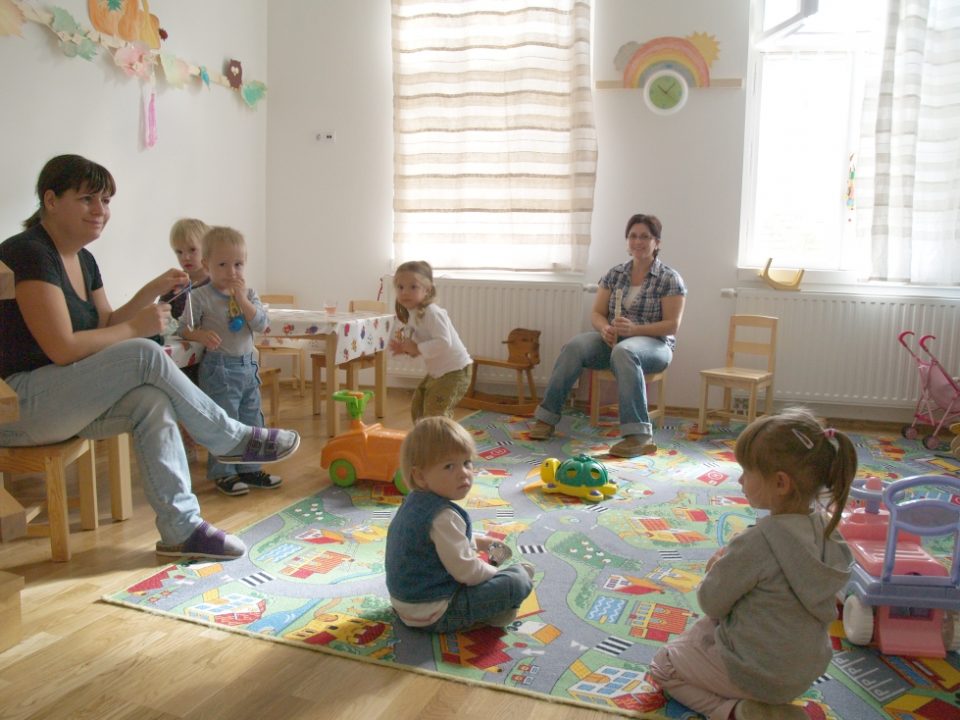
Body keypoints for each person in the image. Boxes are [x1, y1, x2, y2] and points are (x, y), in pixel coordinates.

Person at [0, 154, 300, 560]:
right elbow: (63, 347)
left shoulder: (84, 259)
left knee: (151, 401)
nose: (100, 210)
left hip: (62, 396)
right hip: (18, 404)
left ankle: (181, 529)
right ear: (50, 200)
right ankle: (230, 438)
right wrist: (134, 330)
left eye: (105, 201)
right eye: (87, 199)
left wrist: (151, 291)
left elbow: (105, 322)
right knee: (143, 351)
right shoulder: (28, 252)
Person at [647, 408, 856, 720]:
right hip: (804, 673)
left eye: (747, 471)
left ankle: (735, 711)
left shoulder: (756, 543)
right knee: (710, 631)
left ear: (781, 483)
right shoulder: (829, 533)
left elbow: (711, 604)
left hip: (754, 674)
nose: (741, 479)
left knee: (663, 665)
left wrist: (715, 568)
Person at [528, 213, 686, 457]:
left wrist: (635, 330)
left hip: (654, 345)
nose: (638, 241)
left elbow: (671, 326)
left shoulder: (669, 278)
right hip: (615, 342)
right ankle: (546, 419)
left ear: (657, 242)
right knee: (575, 346)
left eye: (645, 236)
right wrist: (604, 328)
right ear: (627, 241)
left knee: (626, 351)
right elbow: (597, 313)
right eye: (633, 236)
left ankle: (638, 437)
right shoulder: (615, 274)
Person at [385, 416, 534, 632]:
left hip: (405, 604)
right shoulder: (443, 516)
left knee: (503, 574)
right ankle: (496, 612)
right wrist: (498, 576)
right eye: (449, 466)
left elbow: (436, 544)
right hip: (436, 612)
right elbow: (467, 572)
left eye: (466, 463)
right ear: (420, 476)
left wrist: (480, 542)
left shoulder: (413, 503)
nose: (463, 473)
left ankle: (495, 596)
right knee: (517, 581)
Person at [178, 226, 281, 497]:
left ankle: (250, 468)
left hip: (248, 366)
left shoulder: (249, 294)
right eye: (222, 265)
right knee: (225, 421)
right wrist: (200, 335)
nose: (231, 272)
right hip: (219, 369)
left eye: (238, 264)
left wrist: (242, 299)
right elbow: (183, 328)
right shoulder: (199, 296)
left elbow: (261, 324)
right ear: (206, 265)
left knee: (252, 419)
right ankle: (223, 472)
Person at [388, 260, 472, 422]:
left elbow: (443, 342)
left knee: (435, 414)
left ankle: (442, 436)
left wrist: (416, 348)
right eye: (400, 287)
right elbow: (420, 344)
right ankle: (425, 435)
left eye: (413, 287)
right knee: (418, 407)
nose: (405, 292)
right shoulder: (413, 314)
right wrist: (406, 349)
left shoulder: (432, 312)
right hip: (439, 371)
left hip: (455, 371)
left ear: (427, 290)